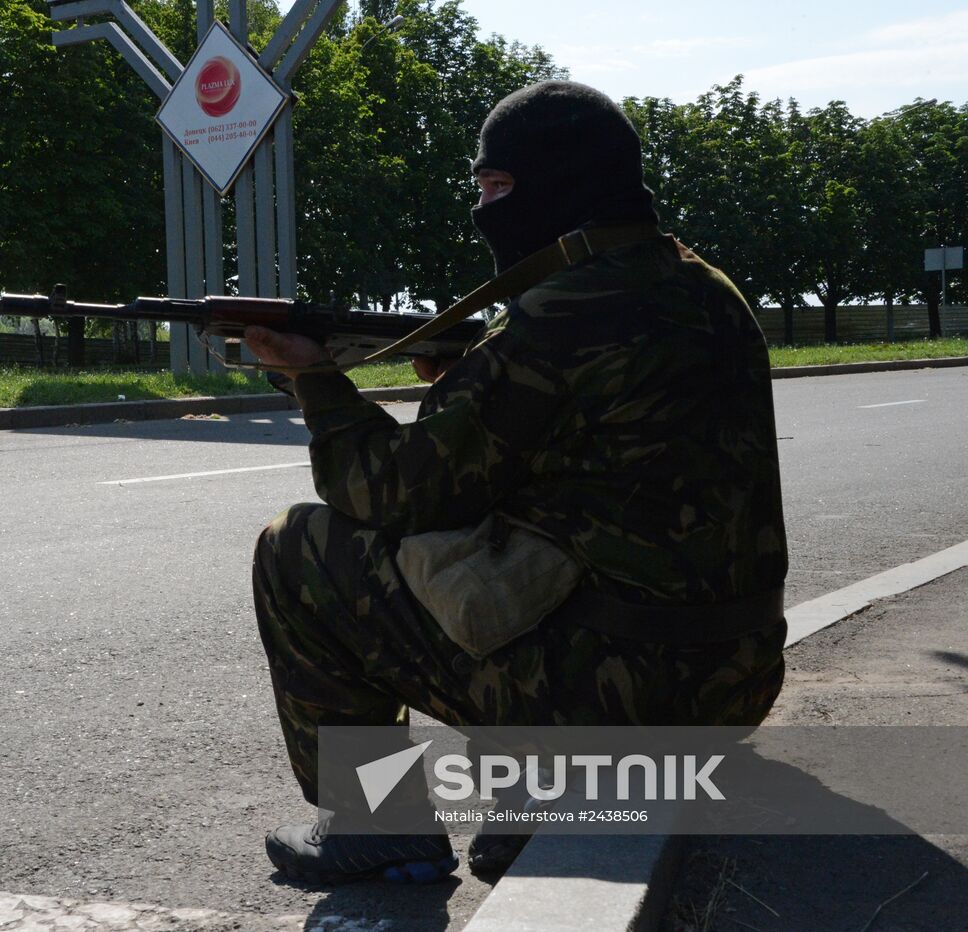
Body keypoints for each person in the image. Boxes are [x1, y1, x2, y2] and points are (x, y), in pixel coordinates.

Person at [241, 80, 789, 884]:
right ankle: (549, 796)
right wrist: (475, 378)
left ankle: (375, 823)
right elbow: (588, 442)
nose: (484, 208)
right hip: (731, 684)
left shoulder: (558, 315)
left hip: (617, 697)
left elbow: (391, 493)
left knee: (299, 550)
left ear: (558, 185)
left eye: (496, 187)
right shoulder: (707, 289)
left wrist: (316, 384)